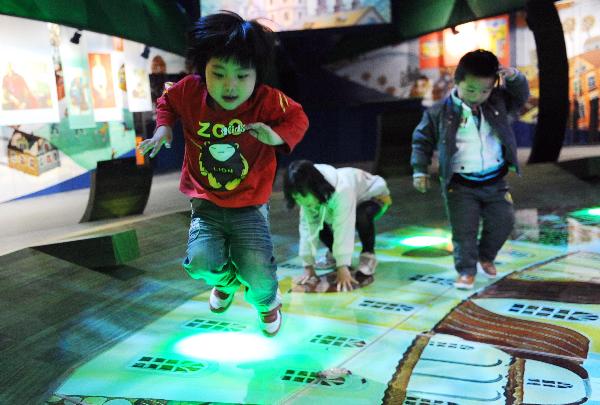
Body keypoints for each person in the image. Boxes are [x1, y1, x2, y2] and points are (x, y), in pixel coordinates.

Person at [138, 11, 309, 336]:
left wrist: (275, 136)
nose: (230, 86)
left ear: (257, 74)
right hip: (206, 204)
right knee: (201, 263)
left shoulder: (268, 100)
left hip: (250, 206)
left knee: (256, 269)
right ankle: (227, 285)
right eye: (218, 73)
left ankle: (267, 304)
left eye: (242, 76)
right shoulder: (189, 92)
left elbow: (297, 118)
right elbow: (167, 102)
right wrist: (163, 129)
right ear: (203, 70)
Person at [411, 49, 529, 290]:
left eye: (485, 90)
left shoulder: (497, 102)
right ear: (457, 82)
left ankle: (486, 255)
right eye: (471, 90)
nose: (477, 96)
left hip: (495, 182)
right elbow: (421, 140)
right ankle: (466, 270)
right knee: (464, 231)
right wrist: (419, 170)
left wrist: (514, 77)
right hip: (460, 185)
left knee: (504, 221)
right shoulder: (439, 112)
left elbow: (520, 96)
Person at [283, 160, 391, 292]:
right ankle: (335, 254)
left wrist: (342, 267)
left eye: (303, 196)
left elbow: (344, 227)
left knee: (361, 215)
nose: (301, 202)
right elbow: (307, 228)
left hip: (374, 197)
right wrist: (308, 266)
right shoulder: (307, 194)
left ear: (314, 187)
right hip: (339, 200)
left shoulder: (342, 189)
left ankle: (368, 255)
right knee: (317, 220)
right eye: (296, 198)